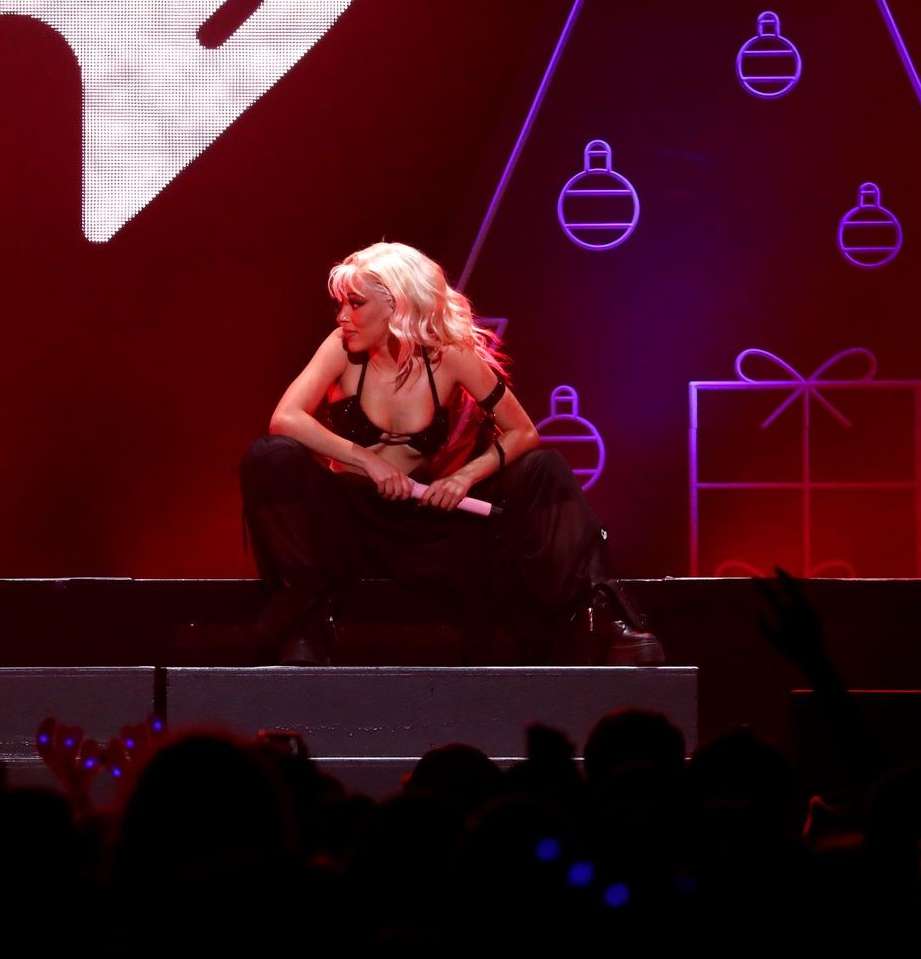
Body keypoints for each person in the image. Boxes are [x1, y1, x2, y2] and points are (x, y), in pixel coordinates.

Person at [239, 241, 661, 666]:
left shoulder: (450, 356)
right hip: (352, 523)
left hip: (428, 522)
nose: (342, 316)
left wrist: (464, 478)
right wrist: (366, 460)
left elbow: (523, 432)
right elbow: (286, 418)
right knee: (271, 455)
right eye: (342, 303)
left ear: (397, 304)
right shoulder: (341, 348)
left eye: (356, 303)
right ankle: (302, 626)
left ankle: (601, 617)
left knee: (544, 468)